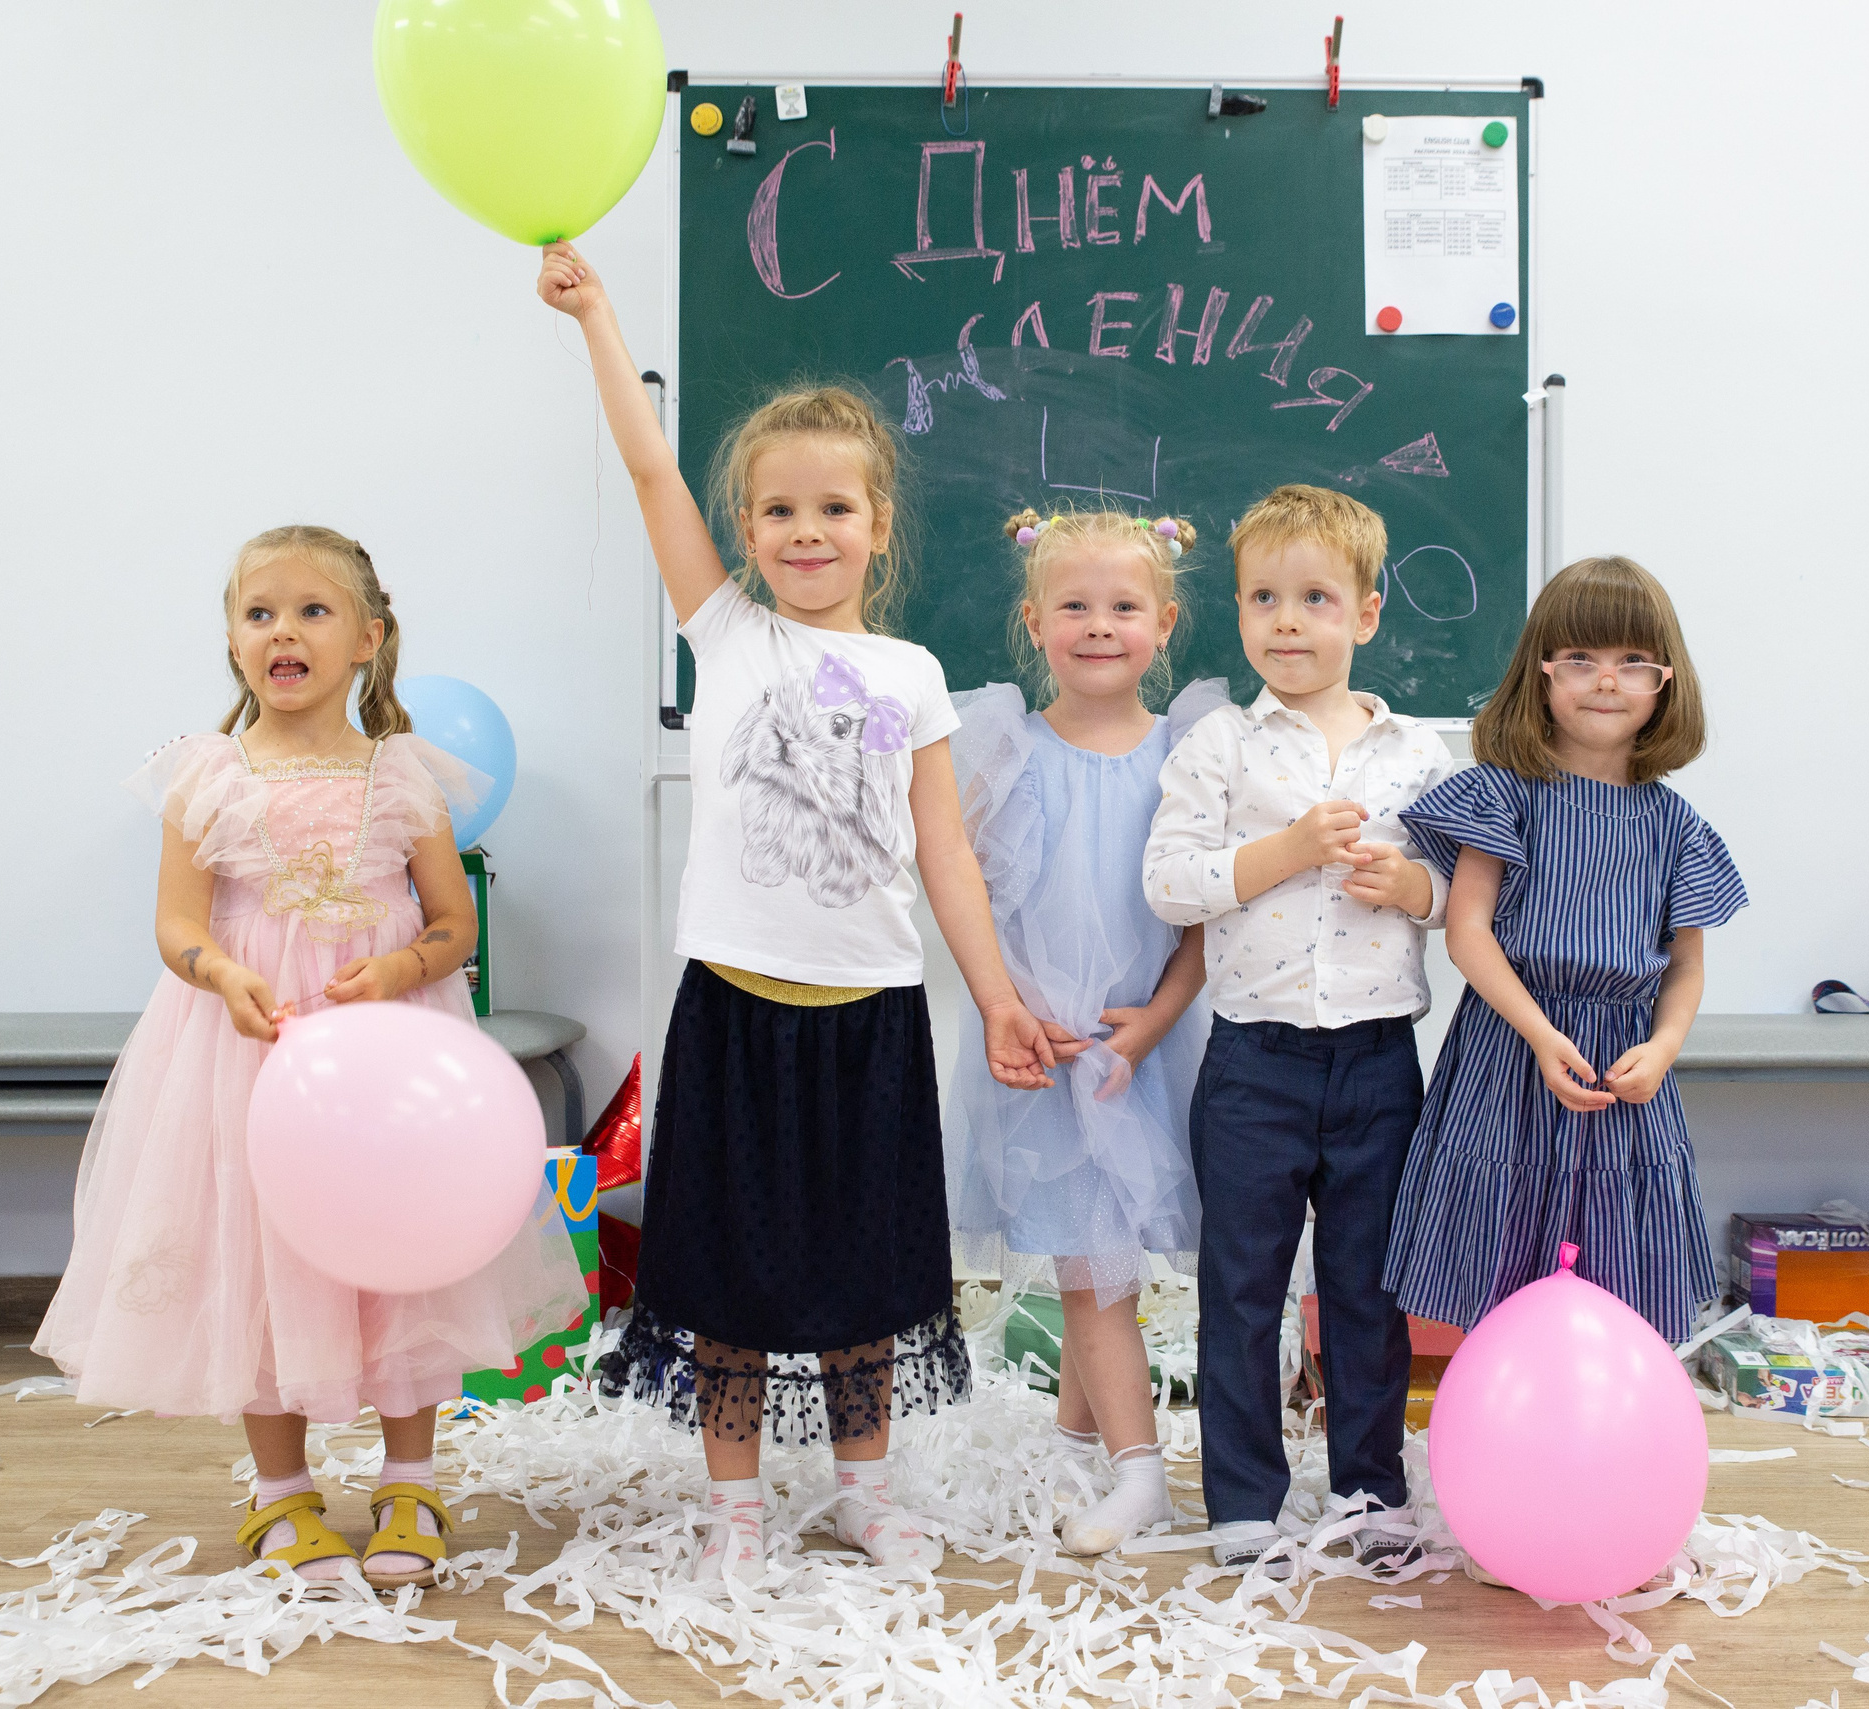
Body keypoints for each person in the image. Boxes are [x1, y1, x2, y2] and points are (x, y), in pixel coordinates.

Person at [534, 242, 1059, 1582]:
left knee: (867, 1275)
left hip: (870, 1018)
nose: (806, 533)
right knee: (723, 1276)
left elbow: (946, 854)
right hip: (736, 1011)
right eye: (778, 512)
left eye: (834, 509)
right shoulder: (725, 635)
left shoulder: (913, 670)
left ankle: (866, 1489)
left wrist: (997, 996)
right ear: (749, 528)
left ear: (880, 523)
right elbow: (654, 472)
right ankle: (735, 1506)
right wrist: (599, 318)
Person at [34, 525, 584, 1589]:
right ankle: (281, 1491)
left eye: (313, 611)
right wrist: (219, 972)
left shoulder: (403, 774)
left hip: (390, 1060)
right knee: (260, 1254)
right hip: (252, 1050)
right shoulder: (208, 774)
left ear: (369, 639)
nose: (283, 630)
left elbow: (450, 923)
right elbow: (178, 924)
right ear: (234, 642)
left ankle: (410, 1476)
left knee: (406, 1256)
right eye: (259, 612)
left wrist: (400, 968)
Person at [1141, 485, 1457, 1575]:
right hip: (1253, 1063)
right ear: (1236, 610)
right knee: (1240, 1288)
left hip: (1377, 1059)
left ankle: (1371, 1489)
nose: (1287, 620)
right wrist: (1287, 849)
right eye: (1263, 597)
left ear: (1365, 614)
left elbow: (1462, 897)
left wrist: (1406, 882)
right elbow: (1172, 884)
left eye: (1314, 597)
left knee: (1367, 1291)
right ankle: (1241, 1500)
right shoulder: (1218, 746)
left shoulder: (1418, 755)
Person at [945, 507, 1223, 1556]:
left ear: (1164, 619)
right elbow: (965, 884)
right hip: (1043, 1043)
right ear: (1032, 619)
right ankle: (1122, 1461)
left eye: (1122, 606)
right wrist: (1008, 999)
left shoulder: (1186, 751)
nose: (1098, 625)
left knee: (1102, 1258)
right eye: (1073, 605)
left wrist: (1155, 1018)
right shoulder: (1007, 748)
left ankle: (1119, 1461)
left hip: (1144, 1043)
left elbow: (1207, 910)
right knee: (1086, 1257)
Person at [1384, 555, 1747, 1346]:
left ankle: (1603, 1446)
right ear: (1541, 672)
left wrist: (1664, 1046)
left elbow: (1686, 963)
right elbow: (1467, 932)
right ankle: (1506, 1440)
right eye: (1580, 658)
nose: (1605, 680)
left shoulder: (1676, 825)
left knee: (1619, 1272)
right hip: (1511, 1050)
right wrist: (1542, 1035)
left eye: (1632, 662)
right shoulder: (1504, 791)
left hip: (1624, 1068)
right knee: (1502, 1261)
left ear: (1665, 683)